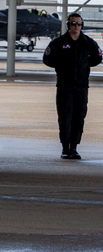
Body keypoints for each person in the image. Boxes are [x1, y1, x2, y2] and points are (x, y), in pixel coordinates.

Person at [42, 12, 102, 159]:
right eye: (73, 23)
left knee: (79, 116)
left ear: (82, 26)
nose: (76, 26)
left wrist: (85, 65)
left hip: (82, 87)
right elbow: (47, 59)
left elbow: (98, 58)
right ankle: (65, 147)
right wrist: (61, 67)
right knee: (65, 116)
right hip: (64, 86)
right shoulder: (59, 42)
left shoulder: (88, 42)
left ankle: (74, 147)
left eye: (79, 24)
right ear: (68, 25)